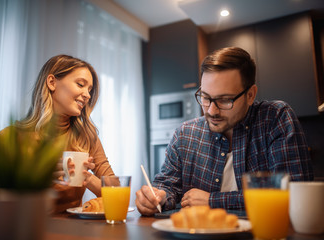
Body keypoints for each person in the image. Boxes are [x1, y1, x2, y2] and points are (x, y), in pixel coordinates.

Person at [135, 47, 314, 216]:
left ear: (250, 95)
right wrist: (156, 196)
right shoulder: (184, 134)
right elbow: (167, 186)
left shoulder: (275, 118)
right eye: (205, 97)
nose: (211, 111)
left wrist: (214, 201)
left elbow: (294, 192)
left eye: (225, 100)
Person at [0, 55, 115, 213]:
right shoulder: (10, 136)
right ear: (52, 82)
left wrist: (87, 178)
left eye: (89, 90)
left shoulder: (87, 136)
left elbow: (117, 191)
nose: (87, 95)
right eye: (80, 84)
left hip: (72, 232)